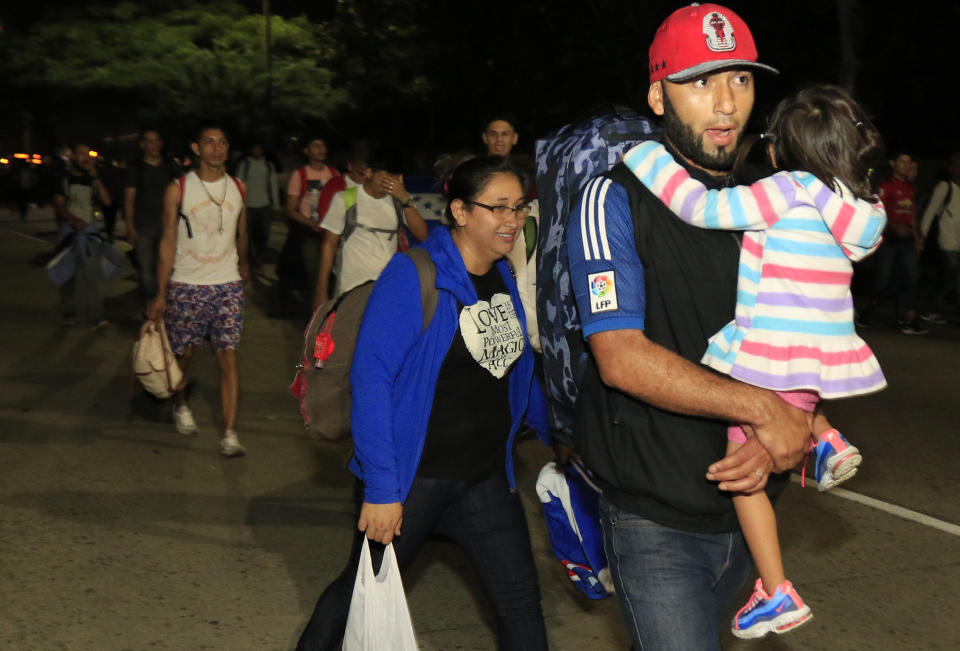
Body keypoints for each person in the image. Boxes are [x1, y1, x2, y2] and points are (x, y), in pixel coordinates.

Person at [565, 4, 812, 649]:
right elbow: (620, 356)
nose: (726, 103)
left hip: (754, 508)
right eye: (701, 82)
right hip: (657, 521)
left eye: (740, 79)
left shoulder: (775, 199)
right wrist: (765, 409)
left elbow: (816, 330)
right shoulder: (612, 198)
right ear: (658, 95)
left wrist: (783, 423)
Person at [624, 84, 888, 638]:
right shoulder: (861, 207)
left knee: (745, 483)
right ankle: (826, 439)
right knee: (796, 405)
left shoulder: (786, 190)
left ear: (782, 148)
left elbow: (703, 208)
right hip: (819, 356)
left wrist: (646, 157)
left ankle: (775, 591)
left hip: (771, 353)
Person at [296, 156, 550, 650]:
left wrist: (560, 437)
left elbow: (515, 368)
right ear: (459, 211)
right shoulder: (413, 274)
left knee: (521, 604)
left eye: (518, 208)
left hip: (484, 479)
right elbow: (372, 381)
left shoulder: (500, 274)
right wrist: (382, 490)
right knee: (358, 593)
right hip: (414, 481)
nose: (512, 220)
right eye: (497, 208)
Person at [146, 122, 250, 457]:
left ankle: (230, 433)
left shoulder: (239, 187)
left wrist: (244, 265)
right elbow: (167, 242)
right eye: (209, 142)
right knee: (185, 355)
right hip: (188, 284)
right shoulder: (178, 188)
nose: (217, 148)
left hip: (227, 284)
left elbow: (241, 233)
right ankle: (181, 404)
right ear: (195, 148)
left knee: (228, 357)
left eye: (222, 142)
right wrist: (161, 293)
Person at [313, 150, 428, 306]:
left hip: (385, 291)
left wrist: (404, 199)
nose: (391, 183)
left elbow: (423, 235)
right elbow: (329, 245)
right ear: (368, 173)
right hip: (349, 292)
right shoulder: (345, 199)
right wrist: (321, 288)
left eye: (395, 178)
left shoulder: (398, 202)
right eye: (385, 177)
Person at [54, 142, 113, 328]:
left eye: (88, 154)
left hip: (90, 234)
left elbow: (107, 201)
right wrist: (72, 220)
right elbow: (60, 205)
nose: (85, 157)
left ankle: (96, 316)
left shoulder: (92, 178)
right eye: (80, 153)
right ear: (72, 156)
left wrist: (95, 177)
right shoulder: (64, 178)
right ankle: (69, 311)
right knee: (68, 275)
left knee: (93, 276)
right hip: (69, 234)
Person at [868, 150, 927, 334]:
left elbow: (912, 214)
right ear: (893, 164)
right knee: (883, 281)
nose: (906, 166)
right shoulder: (886, 185)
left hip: (907, 241)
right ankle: (869, 309)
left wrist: (918, 235)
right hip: (889, 241)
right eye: (902, 162)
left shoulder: (910, 187)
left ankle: (908, 317)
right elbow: (878, 211)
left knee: (911, 277)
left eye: (909, 163)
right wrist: (894, 226)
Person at [124, 129, 181, 306]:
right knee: (147, 271)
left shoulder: (171, 167)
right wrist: (130, 228)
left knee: (170, 269)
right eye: (149, 141)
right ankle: (150, 307)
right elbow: (129, 201)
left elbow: (186, 190)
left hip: (169, 227)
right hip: (145, 227)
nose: (154, 145)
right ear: (142, 145)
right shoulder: (136, 169)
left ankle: (167, 306)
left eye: (157, 140)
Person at [280, 136, 340, 295]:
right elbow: (291, 210)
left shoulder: (334, 174)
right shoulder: (300, 175)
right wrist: (313, 224)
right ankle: (316, 313)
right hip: (309, 234)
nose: (321, 149)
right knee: (315, 276)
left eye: (323, 145)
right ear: (306, 151)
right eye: (316, 146)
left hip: (332, 233)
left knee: (333, 275)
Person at [919, 153, 960, 318]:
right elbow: (930, 212)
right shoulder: (945, 186)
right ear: (950, 168)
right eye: (957, 164)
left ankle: (933, 307)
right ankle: (929, 308)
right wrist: (921, 236)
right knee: (950, 277)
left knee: (952, 278)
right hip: (947, 240)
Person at [236, 142, 279, 271]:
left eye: (259, 148)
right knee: (247, 235)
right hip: (248, 206)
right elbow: (238, 184)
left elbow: (273, 185)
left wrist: (276, 205)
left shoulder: (268, 165)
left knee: (264, 234)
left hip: (264, 206)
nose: (257, 151)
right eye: (255, 148)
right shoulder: (245, 165)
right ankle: (248, 259)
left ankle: (258, 256)